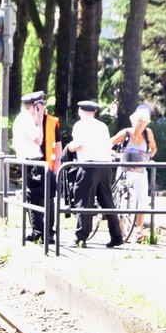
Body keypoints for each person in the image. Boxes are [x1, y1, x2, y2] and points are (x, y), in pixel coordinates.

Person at [65, 100, 123, 248]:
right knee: (107, 201)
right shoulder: (102, 126)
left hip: (88, 166)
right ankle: (116, 236)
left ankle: (81, 237)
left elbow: (78, 144)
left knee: (84, 201)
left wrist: (69, 148)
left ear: (80, 111)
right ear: (94, 112)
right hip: (105, 165)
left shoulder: (80, 125)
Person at [12, 91, 56, 242]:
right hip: (32, 163)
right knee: (43, 194)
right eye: (41, 105)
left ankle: (39, 232)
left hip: (31, 163)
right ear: (35, 107)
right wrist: (38, 120)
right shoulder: (27, 119)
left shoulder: (23, 118)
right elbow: (38, 140)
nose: (43, 108)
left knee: (38, 198)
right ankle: (43, 232)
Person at [111, 105, 158, 241]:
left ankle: (139, 231)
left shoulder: (148, 133)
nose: (141, 124)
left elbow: (154, 148)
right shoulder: (126, 133)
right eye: (139, 121)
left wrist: (148, 157)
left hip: (140, 171)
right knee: (122, 199)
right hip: (125, 170)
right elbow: (110, 142)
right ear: (133, 121)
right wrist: (113, 153)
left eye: (144, 121)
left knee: (142, 200)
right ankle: (121, 228)